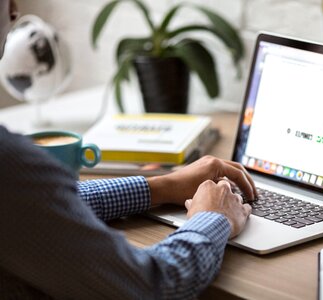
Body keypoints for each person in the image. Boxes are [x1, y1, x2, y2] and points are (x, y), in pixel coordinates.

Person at [0, 1, 255, 299]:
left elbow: (35, 206)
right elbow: (152, 286)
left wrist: (162, 186)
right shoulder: (10, 162)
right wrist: (214, 218)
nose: (15, 9)